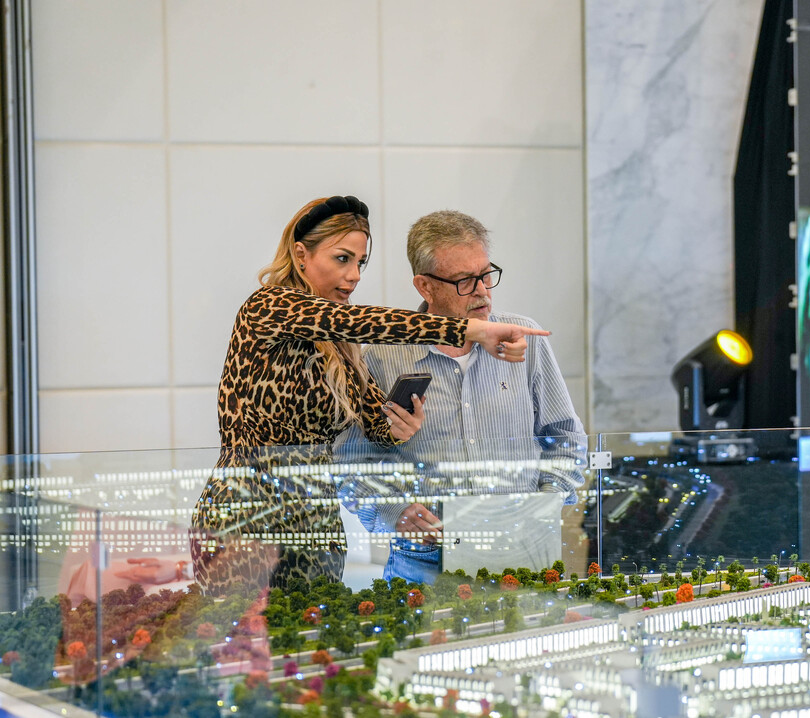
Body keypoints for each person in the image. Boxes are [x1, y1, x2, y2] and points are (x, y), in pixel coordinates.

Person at [188, 196, 549, 595]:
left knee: (311, 631)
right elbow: (357, 321)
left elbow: (374, 427)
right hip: (247, 514)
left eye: (361, 262)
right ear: (301, 254)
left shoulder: (341, 343)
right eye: (342, 259)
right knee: (242, 631)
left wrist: (398, 427)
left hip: (315, 522)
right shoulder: (268, 306)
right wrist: (472, 329)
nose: (354, 275)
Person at [340, 210, 585, 585]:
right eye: (465, 281)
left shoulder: (525, 339)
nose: (483, 291)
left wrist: (545, 502)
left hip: (522, 557)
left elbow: (566, 438)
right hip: (424, 566)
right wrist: (394, 511)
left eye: (486, 274)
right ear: (425, 286)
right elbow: (351, 462)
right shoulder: (381, 356)